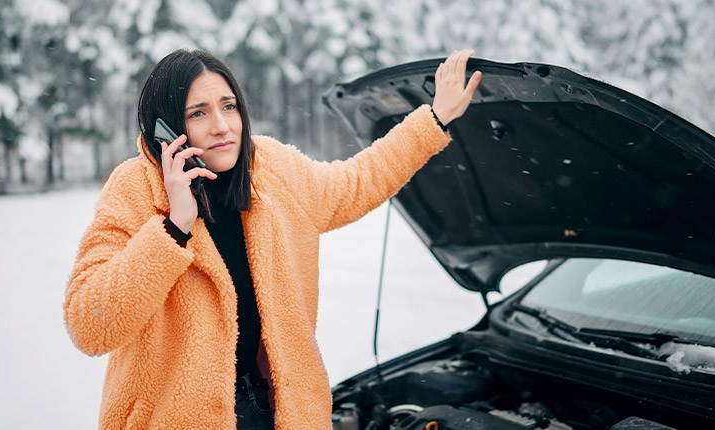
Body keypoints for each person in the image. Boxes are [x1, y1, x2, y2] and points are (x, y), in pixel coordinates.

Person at [64, 48, 481, 430]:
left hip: (277, 412)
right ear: (166, 127)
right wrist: (174, 226)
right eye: (198, 113)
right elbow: (90, 325)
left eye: (229, 106)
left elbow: (360, 180)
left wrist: (434, 118)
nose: (222, 126)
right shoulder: (135, 190)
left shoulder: (273, 169)